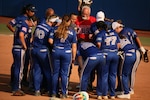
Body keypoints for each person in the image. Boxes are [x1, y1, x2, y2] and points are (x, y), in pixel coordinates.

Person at [112, 21, 146, 95]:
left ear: (118, 28)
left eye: (115, 29)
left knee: (131, 71)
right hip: (134, 51)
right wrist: (141, 47)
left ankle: (130, 89)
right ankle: (123, 88)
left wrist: (140, 48)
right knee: (127, 71)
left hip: (133, 52)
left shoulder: (121, 34)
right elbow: (136, 37)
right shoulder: (129, 29)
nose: (115, 31)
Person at [6, 4, 37, 87]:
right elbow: (9, 24)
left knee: (25, 63)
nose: (33, 13)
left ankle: (23, 80)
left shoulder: (30, 19)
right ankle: (14, 82)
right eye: (31, 11)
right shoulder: (20, 19)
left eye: (34, 11)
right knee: (18, 64)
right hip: (21, 45)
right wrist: (15, 32)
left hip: (26, 44)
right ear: (27, 11)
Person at [49, 15, 77, 99]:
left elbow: (50, 41)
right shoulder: (72, 31)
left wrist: (56, 46)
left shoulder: (55, 29)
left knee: (55, 73)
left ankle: (54, 92)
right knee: (64, 74)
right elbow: (74, 46)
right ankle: (64, 93)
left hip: (56, 51)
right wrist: (73, 58)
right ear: (68, 22)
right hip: (66, 53)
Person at [31, 16, 57, 96]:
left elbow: (32, 37)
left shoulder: (39, 25)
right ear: (52, 22)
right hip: (43, 51)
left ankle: (37, 90)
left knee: (36, 71)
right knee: (48, 71)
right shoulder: (50, 29)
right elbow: (50, 41)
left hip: (34, 49)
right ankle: (50, 90)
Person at [95, 21, 120, 99]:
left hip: (105, 54)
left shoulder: (101, 33)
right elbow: (118, 45)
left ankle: (102, 94)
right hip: (115, 55)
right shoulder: (115, 33)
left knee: (103, 75)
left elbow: (98, 44)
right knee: (112, 75)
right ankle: (112, 94)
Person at [11, 18, 35, 96]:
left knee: (17, 68)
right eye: (33, 22)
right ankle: (16, 88)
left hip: (16, 47)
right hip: (19, 48)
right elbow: (21, 35)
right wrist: (25, 46)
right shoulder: (24, 25)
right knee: (19, 69)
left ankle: (15, 86)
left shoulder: (20, 24)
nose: (33, 24)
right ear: (29, 21)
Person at [75, 6, 96, 90]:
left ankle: (90, 83)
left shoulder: (93, 20)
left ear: (89, 13)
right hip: (80, 45)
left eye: (86, 14)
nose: (84, 15)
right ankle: (82, 83)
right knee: (81, 66)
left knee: (91, 66)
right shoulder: (77, 20)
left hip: (90, 46)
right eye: (83, 13)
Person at [115, 34, 136, 99]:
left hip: (127, 55)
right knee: (126, 74)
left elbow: (118, 48)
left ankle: (126, 92)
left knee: (122, 74)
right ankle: (124, 90)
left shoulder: (117, 39)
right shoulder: (125, 38)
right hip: (134, 55)